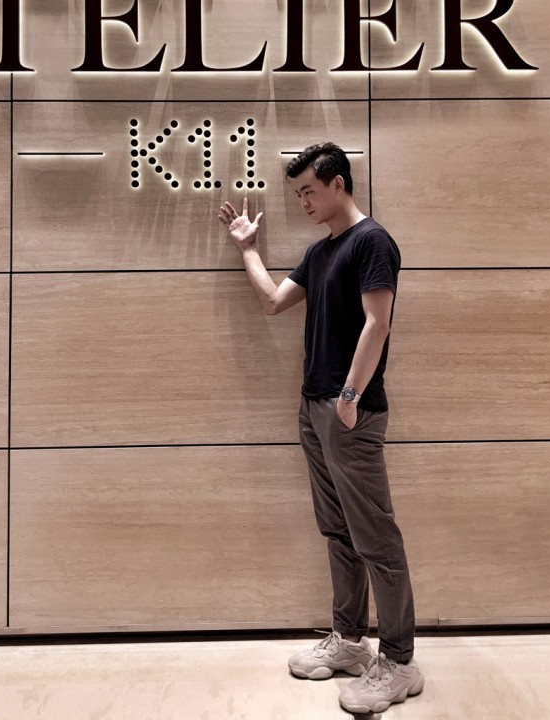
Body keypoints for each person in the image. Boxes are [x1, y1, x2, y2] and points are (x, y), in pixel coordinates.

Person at [217, 142, 424, 714]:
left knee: (376, 537)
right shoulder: (319, 251)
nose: (303, 201)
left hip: (349, 411)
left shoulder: (372, 241)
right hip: (315, 408)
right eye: (298, 193)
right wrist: (248, 249)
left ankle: (400, 662)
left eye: (309, 190)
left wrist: (350, 399)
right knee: (338, 532)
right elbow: (272, 301)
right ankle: (351, 641)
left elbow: (378, 323)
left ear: (338, 183)